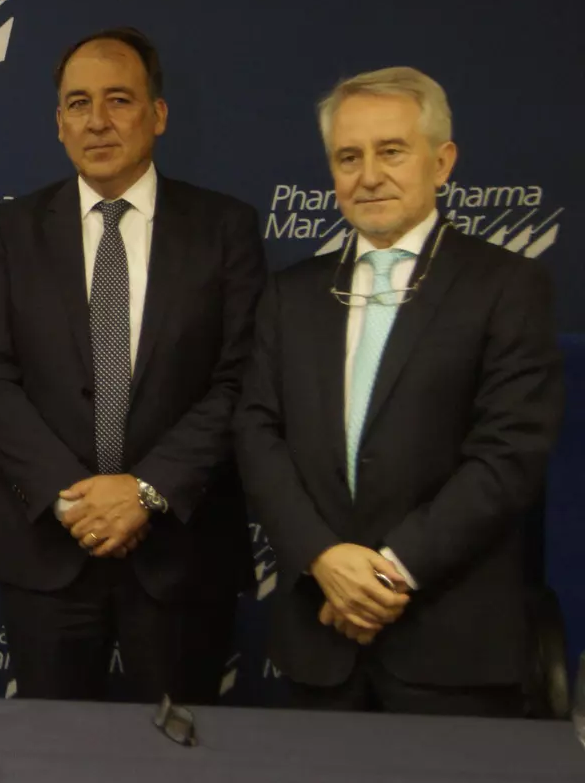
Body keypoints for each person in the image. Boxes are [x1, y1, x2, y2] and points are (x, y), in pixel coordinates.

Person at [235, 67, 563, 716]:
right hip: (320, 639)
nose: (369, 175)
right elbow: (255, 432)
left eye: (391, 151)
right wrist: (323, 558)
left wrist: (384, 576)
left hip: (451, 647)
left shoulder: (508, 288)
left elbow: (508, 457)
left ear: (442, 162)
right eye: (348, 157)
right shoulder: (290, 295)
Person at [0, 28, 265, 703]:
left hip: (180, 551)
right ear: (59, 124)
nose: (97, 120)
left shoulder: (225, 228)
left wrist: (145, 491)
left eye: (119, 100)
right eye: (79, 103)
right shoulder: (13, 230)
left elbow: (241, 380)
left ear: (158, 114)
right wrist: (73, 497)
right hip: (49, 550)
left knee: (182, 748)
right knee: (51, 751)